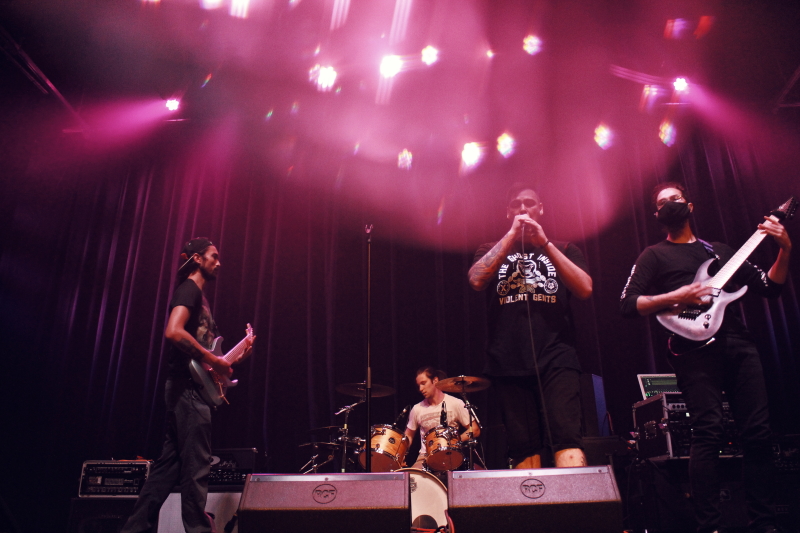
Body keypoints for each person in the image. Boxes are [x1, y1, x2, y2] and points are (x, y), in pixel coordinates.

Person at [620, 183, 791, 533]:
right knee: (707, 433)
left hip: (739, 345)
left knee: (757, 434)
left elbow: (770, 288)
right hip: (693, 350)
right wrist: (679, 295)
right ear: (656, 216)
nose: (669, 205)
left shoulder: (722, 251)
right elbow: (627, 304)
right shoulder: (653, 256)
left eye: (675, 199)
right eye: (662, 203)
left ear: (690, 206)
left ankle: (763, 522)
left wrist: (785, 249)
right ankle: (709, 526)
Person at [121, 238, 255, 533]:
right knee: (196, 467)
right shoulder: (189, 290)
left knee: (168, 469)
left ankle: (133, 529)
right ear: (196, 259)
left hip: (190, 389)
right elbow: (173, 331)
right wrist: (215, 362)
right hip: (187, 390)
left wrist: (237, 354)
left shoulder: (202, 300)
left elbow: (212, 360)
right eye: (214, 256)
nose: (219, 262)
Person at [468, 183, 592, 469]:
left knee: (567, 438)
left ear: (541, 209)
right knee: (523, 446)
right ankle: (534, 509)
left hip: (557, 357)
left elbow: (585, 288)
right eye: (515, 205)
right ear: (507, 212)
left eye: (529, 203)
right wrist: (512, 236)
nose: (522, 209)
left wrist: (545, 244)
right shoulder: (489, 249)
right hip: (507, 360)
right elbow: (476, 280)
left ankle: (577, 510)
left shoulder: (565, 248)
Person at [404, 366, 481, 470]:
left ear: (435, 380)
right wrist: (401, 452)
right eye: (419, 385)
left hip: (450, 454)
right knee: (411, 478)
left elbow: (475, 429)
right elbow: (408, 435)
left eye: (423, 383)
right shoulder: (417, 409)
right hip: (425, 457)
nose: (420, 389)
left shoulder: (455, 403)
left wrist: (455, 441)